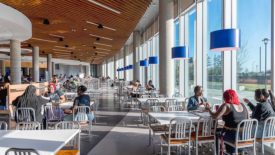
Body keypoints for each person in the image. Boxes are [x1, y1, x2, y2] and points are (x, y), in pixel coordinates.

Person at [205, 89, 249, 154]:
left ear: (225, 97)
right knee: (223, 130)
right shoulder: (243, 105)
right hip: (245, 136)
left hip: (233, 136)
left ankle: (221, 153)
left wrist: (209, 109)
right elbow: (248, 118)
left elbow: (215, 117)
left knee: (216, 133)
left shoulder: (226, 105)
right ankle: (238, 151)